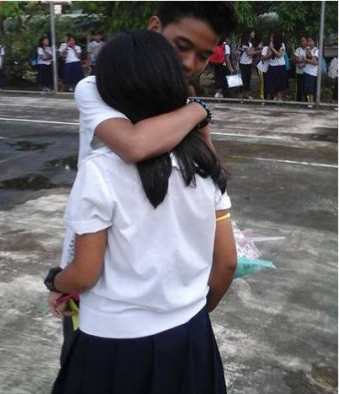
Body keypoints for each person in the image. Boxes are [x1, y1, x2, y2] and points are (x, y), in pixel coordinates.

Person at [48, 30, 236, 394]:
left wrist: (55, 281)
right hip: (191, 338)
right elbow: (226, 262)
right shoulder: (203, 161)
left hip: (114, 345)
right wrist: (193, 311)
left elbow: (84, 275)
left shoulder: (101, 170)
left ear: (110, 91)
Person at [265, 32, 287, 101]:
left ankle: (279, 98)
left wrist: (272, 48)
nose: (270, 38)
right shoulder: (271, 44)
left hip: (280, 66)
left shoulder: (282, 45)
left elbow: (279, 55)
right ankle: (274, 97)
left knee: (279, 83)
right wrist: (270, 47)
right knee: (272, 82)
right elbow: (269, 54)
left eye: (272, 37)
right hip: (272, 65)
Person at [238, 30, 258, 99]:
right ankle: (240, 96)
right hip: (243, 63)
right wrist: (259, 51)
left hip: (249, 63)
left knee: (248, 79)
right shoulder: (244, 44)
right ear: (249, 34)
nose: (254, 34)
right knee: (243, 80)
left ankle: (247, 95)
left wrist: (255, 50)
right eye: (252, 32)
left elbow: (251, 53)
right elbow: (248, 53)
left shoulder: (251, 43)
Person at [302, 37, 320, 106]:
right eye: (308, 41)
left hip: (312, 73)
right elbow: (308, 60)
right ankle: (309, 102)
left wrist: (305, 60)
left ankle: (311, 102)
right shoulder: (307, 49)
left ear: (314, 42)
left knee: (311, 89)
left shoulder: (316, 50)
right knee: (307, 89)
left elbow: (314, 62)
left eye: (311, 41)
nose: (309, 43)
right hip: (306, 71)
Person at [292, 37, 307, 102]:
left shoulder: (308, 50)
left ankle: (307, 101)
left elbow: (311, 59)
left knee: (306, 86)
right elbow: (294, 59)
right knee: (299, 87)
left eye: (304, 40)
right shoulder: (298, 49)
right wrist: (301, 61)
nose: (302, 42)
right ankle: (299, 100)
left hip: (306, 71)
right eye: (301, 41)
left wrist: (304, 62)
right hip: (299, 71)